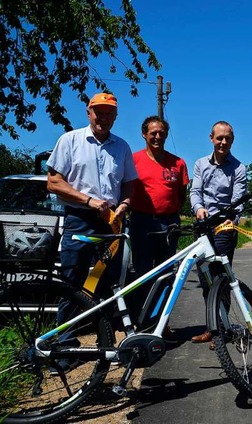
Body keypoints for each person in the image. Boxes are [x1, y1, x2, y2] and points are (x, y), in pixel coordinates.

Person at [47, 93, 137, 363]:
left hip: (112, 222)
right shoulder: (70, 140)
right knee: (73, 281)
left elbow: (130, 184)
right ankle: (65, 344)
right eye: (99, 112)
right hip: (79, 219)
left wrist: (125, 203)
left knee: (110, 283)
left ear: (116, 116)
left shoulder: (122, 147)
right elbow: (53, 182)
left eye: (110, 113)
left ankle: (105, 343)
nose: (104, 117)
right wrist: (87, 200)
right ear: (89, 112)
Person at [189, 121, 247, 348]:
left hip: (224, 227)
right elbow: (195, 191)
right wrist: (198, 208)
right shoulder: (200, 164)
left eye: (228, 139)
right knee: (205, 280)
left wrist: (229, 218)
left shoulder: (239, 168)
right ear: (211, 138)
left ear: (232, 141)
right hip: (203, 227)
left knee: (221, 278)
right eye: (219, 138)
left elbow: (237, 200)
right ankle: (211, 328)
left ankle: (223, 330)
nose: (223, 142)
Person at [129, 116, 189, 330]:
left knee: (166, 276)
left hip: (169, 224)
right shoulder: (133, 160)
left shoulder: (178, 163)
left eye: (161, 133)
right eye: (153, 132)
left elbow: (181, 194)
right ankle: (142, 323)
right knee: (143, 274)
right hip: (142, 222)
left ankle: (162, 324)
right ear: (144, 134)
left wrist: (170, 212)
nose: (157, 136)